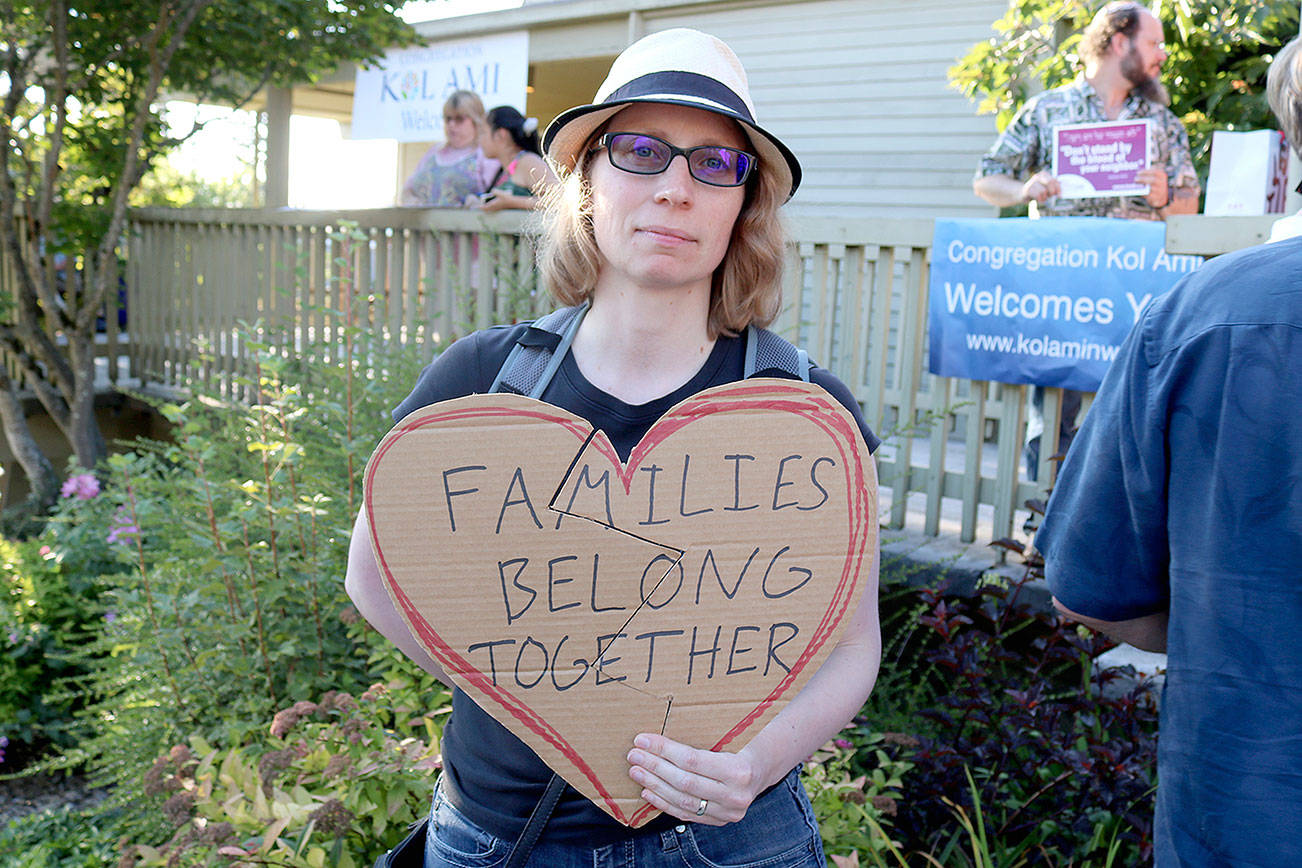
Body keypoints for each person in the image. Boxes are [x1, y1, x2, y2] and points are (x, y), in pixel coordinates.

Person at [347, 27, 882, 868]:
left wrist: (754, 764)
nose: (675, 189)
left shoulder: (803, 415)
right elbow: (371, 575)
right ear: (588, 179)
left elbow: (853, 646)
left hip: (734, 842)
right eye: (640, 151)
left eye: (715, 164)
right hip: (505, 836)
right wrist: (519, 686)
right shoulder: (483, 384)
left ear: (744, 204)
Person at [1035, 35, 1302, 866]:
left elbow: (1087, 591)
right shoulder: (1201, 318)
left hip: (1240, 818)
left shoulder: (1200, 317)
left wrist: (1228, 630)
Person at [972, 1, 1201, 482]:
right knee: (1052, 419)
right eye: (1154, 42)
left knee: (1132, 417)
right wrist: (1024, 189)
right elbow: (987, 179)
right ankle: (1042, 529)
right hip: (1062, 299)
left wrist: (1165, 195)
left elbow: (1190, 204)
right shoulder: (1047, 109)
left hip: (1136, 301)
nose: (1161, 54)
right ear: (1120, 42)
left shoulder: (1162, 122)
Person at [399, 90, 500, 207]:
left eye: (459, 119)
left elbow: (493, 197)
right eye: (448, 119)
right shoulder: (434, 152)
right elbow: (408, 190)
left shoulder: (486, 154)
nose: (451, 124)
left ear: (476, 121)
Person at [471, 105, 557, 211]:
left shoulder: (528, 162)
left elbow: (561, 202)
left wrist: (513, 202)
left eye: (483, 133)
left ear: (501, 135)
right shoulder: (506, 168)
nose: (479, 140)